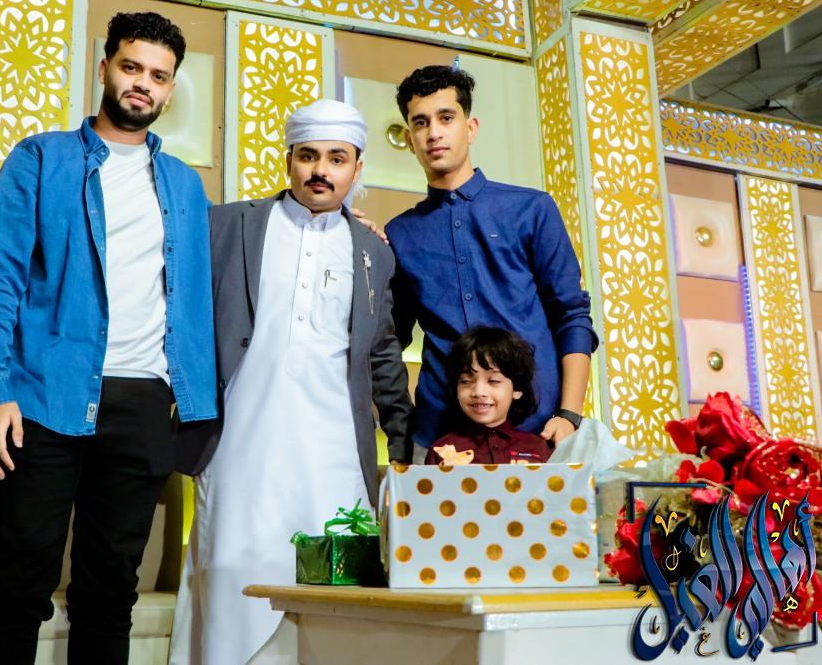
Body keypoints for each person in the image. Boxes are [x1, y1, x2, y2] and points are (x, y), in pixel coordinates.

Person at [0, 12, 216, 665]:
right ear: (105, 68)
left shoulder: (185, 184)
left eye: (158, 75)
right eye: (131, 67)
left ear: (170, 89)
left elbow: (243, 244)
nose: (143, 84)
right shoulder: (40, 158)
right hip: (43, 398)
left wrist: (344, 218)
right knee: (19, 586)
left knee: (111, 594)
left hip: (142, 405)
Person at [170, 99, 413, 665]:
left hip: (334, 454)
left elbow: (383, 354)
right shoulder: (228, 225)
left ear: (357, 169)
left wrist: (402, 445)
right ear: (289, 160)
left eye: (337, 159)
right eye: (308, 156)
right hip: (239, 446)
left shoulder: (374, 252)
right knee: (232, 579)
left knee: (334, 597)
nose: (320, 170)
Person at [385, 64, 598, 458]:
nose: (433, 133)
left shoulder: (531, 209)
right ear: (410, 139)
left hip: (540, 429)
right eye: (420, 122)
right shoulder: (400, 234)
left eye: (446, 118)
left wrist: (569, 414)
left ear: (471, 128)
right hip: (439, 435)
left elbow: (571, 315)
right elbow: (389, 339)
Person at [425, 326, 550, 465]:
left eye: (493, 381)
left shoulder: (537, 447)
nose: (478, 392)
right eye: (466, 381)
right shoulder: (441, 451)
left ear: (517, 389)